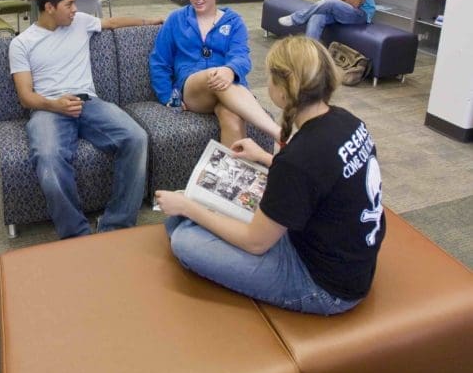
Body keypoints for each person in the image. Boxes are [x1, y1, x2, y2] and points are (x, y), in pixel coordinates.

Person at [155, 36, 386, 315]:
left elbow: (255, 243)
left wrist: (187, 207)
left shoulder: (299, 158)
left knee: (184, 239)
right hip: (346, 262)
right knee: (182, 221)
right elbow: (321, 173)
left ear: (283, 90)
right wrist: (264, 157)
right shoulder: (346, 120)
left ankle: (188, 216)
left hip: (323, 286)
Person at [9, 0, 163, 239]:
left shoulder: (80, 22)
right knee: (48, 157)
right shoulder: (22, 43)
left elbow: (113, 22)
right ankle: (76, 235)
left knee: (136, 138)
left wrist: (150, 22)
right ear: (49, 7)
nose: (75, 9)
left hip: (88, 103)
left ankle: (116, 225)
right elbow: (25, 97)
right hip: (48, 109)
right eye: (69, 4)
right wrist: (56, 105)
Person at [149, 0, 281, 147]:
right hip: (194, 89)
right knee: (214, 74)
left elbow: (241, 56)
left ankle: (232, 167)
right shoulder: (176, 19)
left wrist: (230, 70)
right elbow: (159, 61)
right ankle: (277, 132)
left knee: (232, 117)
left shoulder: (234, 22)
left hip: (228, 87)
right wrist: (167, 96)